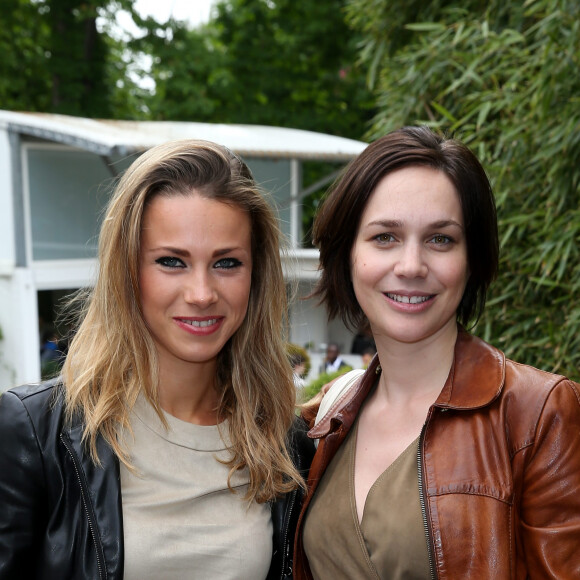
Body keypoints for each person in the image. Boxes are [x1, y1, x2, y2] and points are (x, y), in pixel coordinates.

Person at [0, 140, 315, 579]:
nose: (202, 294)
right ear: (127, 271)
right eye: (171, 261)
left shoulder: (284, 440)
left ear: (255, 276)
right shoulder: (36, 432)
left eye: (226, 263)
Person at [294, 126, 580, 579]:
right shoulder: (328, 414)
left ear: (472, 260)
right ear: (347, 253)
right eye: (385, 236)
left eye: (440, 239)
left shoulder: (539, 414)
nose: (411, 266)